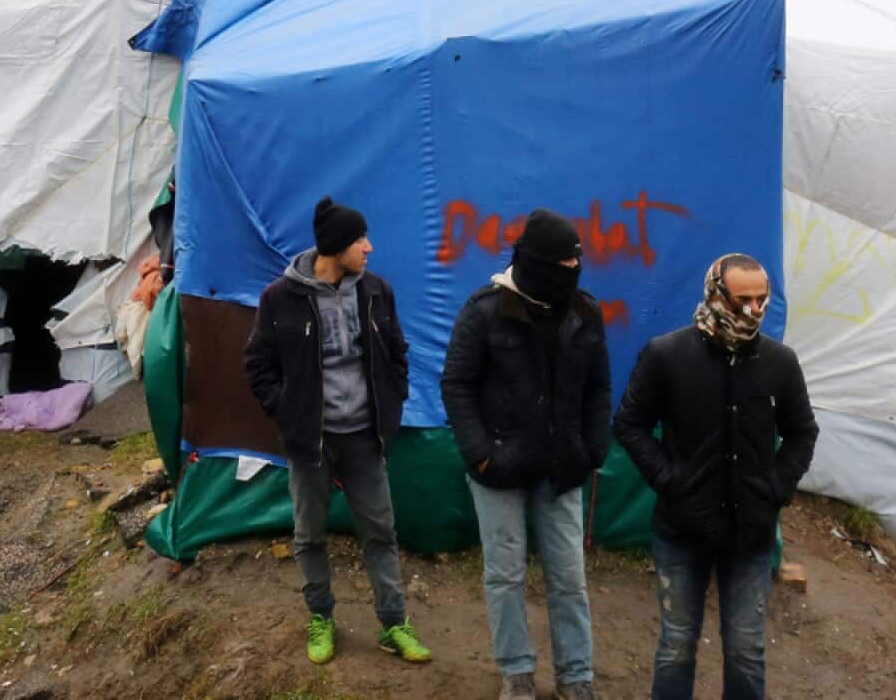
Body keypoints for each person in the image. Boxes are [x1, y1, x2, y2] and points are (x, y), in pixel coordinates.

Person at [612, 253, 819, 700]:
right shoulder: (666, 355)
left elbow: (803, 433)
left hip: (750, 535)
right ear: (715, 293)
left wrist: (775, 489)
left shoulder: (779, 363)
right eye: (742, 299)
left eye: (762, 299)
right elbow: (629, 424)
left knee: (746, 650)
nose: (754, 311)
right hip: (681, 532)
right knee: (676, 646)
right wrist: (671, 480)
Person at [244, 196, 432, 666]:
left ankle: (393, 625)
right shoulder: (279, 299)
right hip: (311, 440)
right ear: (335, 247)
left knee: (381, 532)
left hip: (366, 436)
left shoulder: (376, 292)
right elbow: (257, 364)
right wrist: (286, 410)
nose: (369, 248)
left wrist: (394, 399)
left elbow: (396, 349)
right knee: (309, 533)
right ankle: (321, 616)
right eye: (359, 240)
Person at [441, 209, 611, 700]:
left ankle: (576, 677)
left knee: (569, 578)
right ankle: (516, 673)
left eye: (576, 259)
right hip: (501, 467)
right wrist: (481, 454)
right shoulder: (486, 310)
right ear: (534, 262)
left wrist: (592, 448)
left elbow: (599, 386)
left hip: (562, 466)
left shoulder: (584, 310)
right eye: (562, 261)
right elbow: (456, 384)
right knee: (505, 574)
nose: (572, 268)